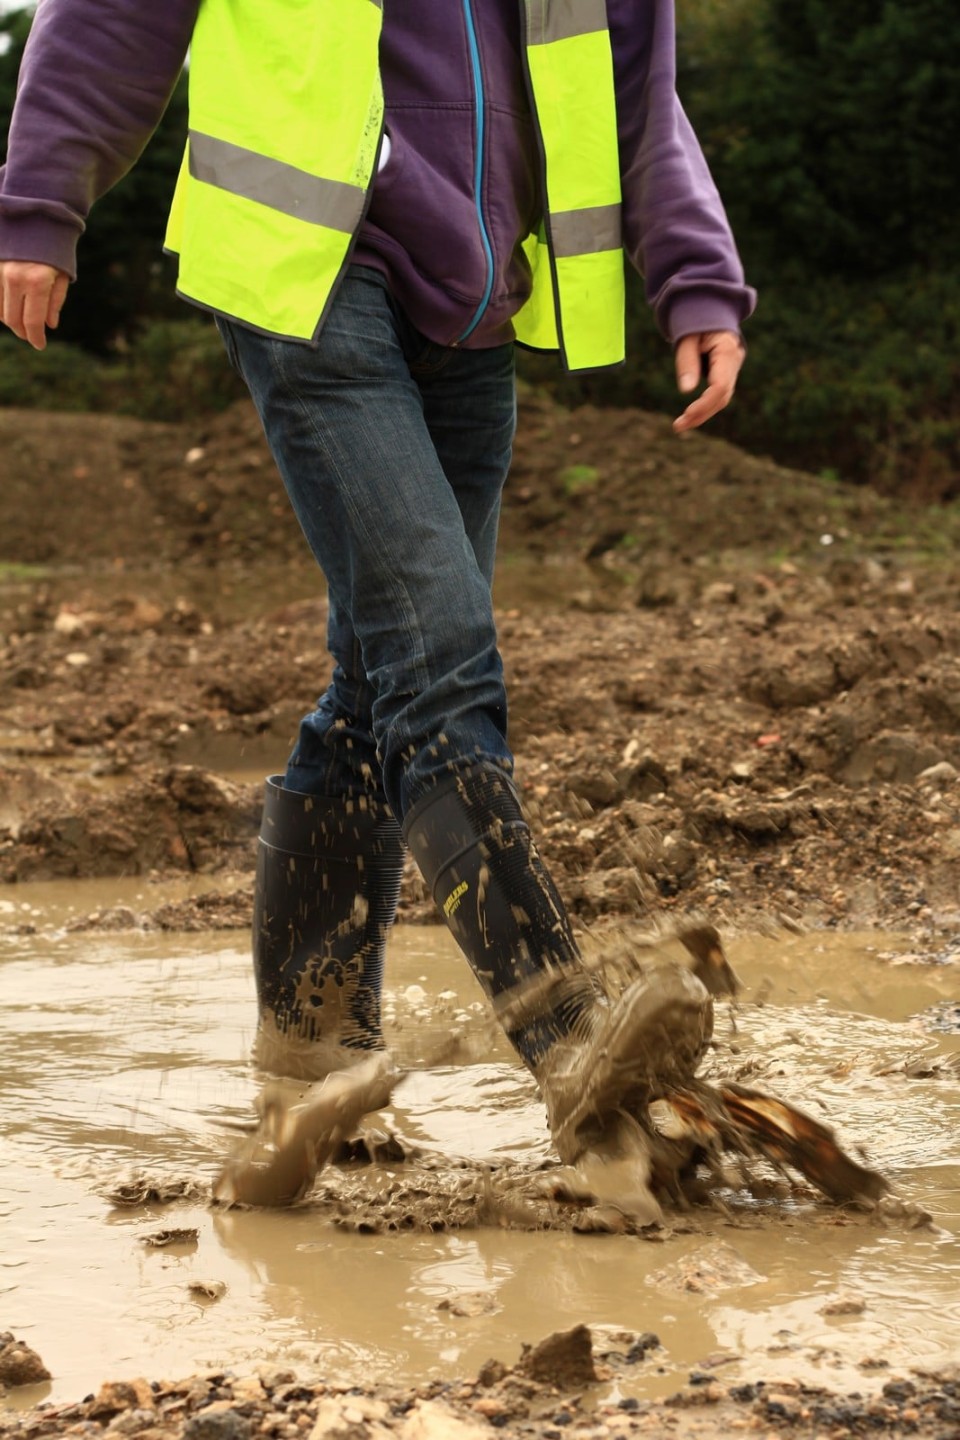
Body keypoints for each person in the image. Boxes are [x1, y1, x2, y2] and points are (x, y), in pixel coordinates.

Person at [0, 0, 755, 1186]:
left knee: (377, 681)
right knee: (440, 655)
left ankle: (308, 1058)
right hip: (310, 270)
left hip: (476, 301)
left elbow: (633, 90)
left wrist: (699, 276)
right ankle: (565, 1029)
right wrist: (43, 200)